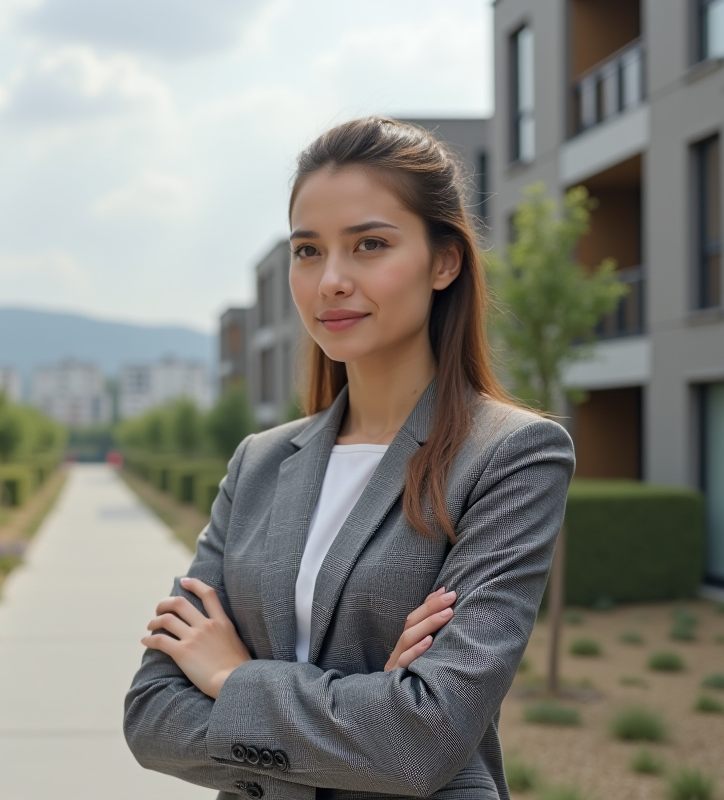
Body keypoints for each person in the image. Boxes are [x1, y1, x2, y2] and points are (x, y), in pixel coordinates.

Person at [122, 116, 575, 800]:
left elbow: (425, 738)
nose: (331, 279)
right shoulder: (260, 463)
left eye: (369, 244)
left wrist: (229, 678)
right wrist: (373, 702)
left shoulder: (511, 455)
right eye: (308, 251)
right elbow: (151, 716)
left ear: (444, 260)